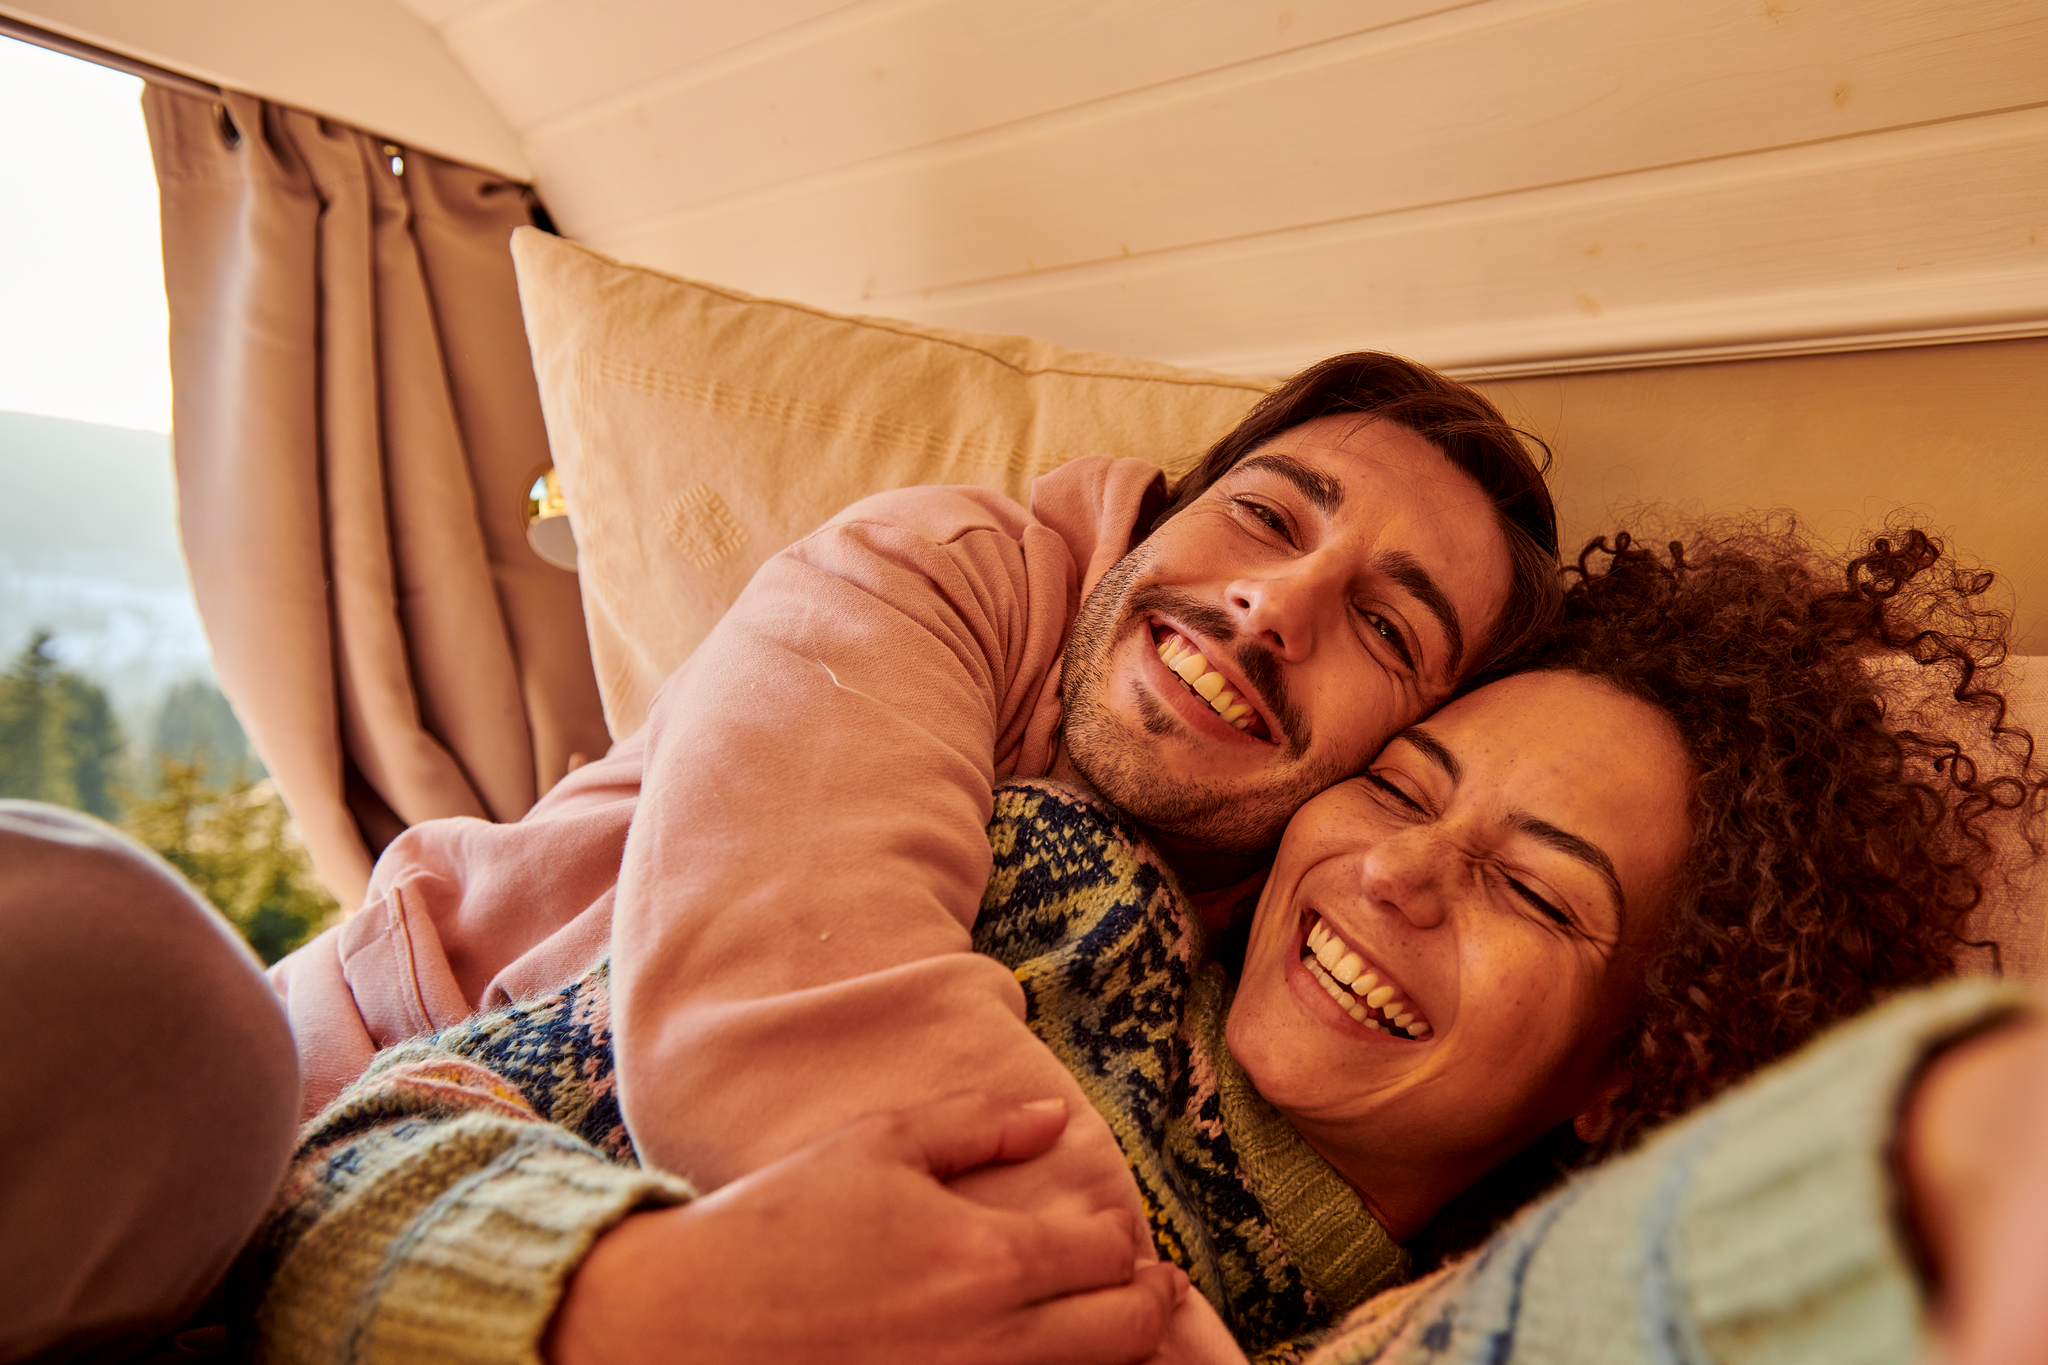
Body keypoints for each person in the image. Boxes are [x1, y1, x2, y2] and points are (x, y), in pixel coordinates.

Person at [230, 520, 2045, 1365]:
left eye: (1539, 891)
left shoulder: (1389, 1321)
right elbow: (343, 1163)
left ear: (1629, 1070)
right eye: (1404, 782)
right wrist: (630, 1301)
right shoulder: (1039, 889)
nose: (1402, 877)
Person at [266, 352, 1563, 1298]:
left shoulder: (1272, 943)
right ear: (1168, 509)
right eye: (1267, 515)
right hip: (345, 1069)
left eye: (1389, 629)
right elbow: (778, 1015)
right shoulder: (940, 571)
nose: (1275, 605)